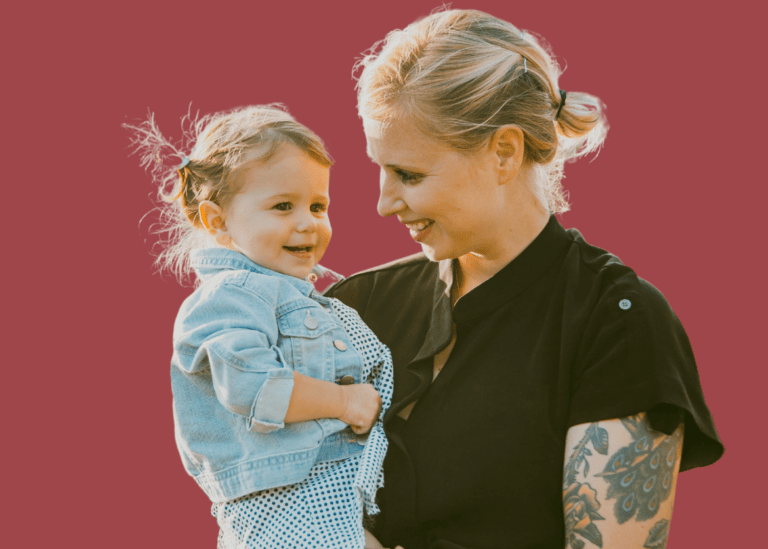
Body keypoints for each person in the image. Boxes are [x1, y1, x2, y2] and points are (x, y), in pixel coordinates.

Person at [325, 9, 724, 549]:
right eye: (381, 168)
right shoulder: (357, 306)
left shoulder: (618, 322)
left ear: (505, 152)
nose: (382, 203)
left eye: (410, 175)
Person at [125, 105, 391, 549]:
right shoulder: (231, 296)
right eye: (283, 206)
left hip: (320, 496)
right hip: (285, 503)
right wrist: (346, 402)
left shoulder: (293, 292)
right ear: (216, 220)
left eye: (318, 205)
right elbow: (256, 387)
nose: (307, 222)